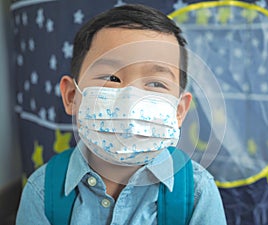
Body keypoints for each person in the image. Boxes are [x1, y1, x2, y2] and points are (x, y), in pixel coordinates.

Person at [16, 4, 227, 225]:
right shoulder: (41, 191)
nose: (131, 99)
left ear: (179, 110)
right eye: (111, 78)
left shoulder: (197, 192)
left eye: (156, 83)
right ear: (71, 96)